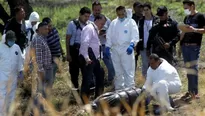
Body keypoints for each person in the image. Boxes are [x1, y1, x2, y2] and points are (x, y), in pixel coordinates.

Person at [105, 6, 139, 90]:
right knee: (118, 71)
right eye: (119, 14)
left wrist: (132, 44)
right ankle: (119, 90)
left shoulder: (131, 22)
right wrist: (107, 46)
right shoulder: (114, 22)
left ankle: (130, 90)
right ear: (116, 13)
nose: (120, 16)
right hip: (115, 49)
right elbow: (109, 35)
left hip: (126, 48)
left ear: (125, 12)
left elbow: (135, 34)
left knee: (128, 71)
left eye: (122, 13)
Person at [180, 0, 205, 101]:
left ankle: (195, 92)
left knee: (193, 68)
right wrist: (179, 43)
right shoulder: (187, 17)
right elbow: (183, 32)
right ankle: (190, 90)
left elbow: (204, 30)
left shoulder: (200, 16)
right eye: (184, 8)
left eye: (187, 8)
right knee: (188, 69)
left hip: (194, 47)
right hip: (185, 46)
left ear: (192, 6)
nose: (185, 10)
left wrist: (194, 30)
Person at [79, 14, 106, 101]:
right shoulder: (89, 28)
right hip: (88, 56)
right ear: (97, 20)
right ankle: (84, 101)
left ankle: (98, 98)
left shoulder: (94, 29)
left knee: (100, 74)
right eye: (101, 24)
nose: (102, 26)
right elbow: (85, 42)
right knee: (87, 79)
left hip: (94, 57)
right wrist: (87, 58)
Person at [89, 1, 115, 85]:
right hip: (93, 47)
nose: (97, 11)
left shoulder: (107, 19)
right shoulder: (89, 19)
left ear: (101, 9)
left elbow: (112, 32)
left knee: (111, 66)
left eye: (99, 10)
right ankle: (95, 83)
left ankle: (110, 81)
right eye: (95, 10)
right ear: (92, 10)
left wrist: (106, 34)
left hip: (105, 45)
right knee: (93, 66)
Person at [66, 7, 91, 91]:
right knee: (74, 72)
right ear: (80, 15)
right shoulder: (72, 24)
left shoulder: (89, 25)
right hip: (74, 50)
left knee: (86, 72)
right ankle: (75, 92)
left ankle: (85, 92)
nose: (86, 18)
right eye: (85, 16)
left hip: (84, 51)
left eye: (88, 16)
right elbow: (67, 39)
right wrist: (68, 54)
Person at [0, 30, 24, 116]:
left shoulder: (16, 47)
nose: (12, 42)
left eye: (13, 40)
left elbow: (20, 60)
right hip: (2, 76)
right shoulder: (0, 47)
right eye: (10, 40)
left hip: (13, 77)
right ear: (6, 40)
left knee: (12, 96)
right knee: (2, 96)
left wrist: (21, 71)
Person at [31, 22, 53, 113]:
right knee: (40, 92)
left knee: (43, 92)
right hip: (41, 71)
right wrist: (41, 72)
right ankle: (36, 111)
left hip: (46, 69)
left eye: (47, 29)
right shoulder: (38, 40)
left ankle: (41, 110)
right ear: (39, 29)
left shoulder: (42, 39)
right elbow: (38, 59)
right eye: (45, 29)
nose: (47, 30)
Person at [138, 3, 157, 78]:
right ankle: (145, 81)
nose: (145, 12)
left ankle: (154, 80)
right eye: (144, 10)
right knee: (145, 64)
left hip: (153, 46)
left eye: (147, 10)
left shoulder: (155, 20)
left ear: (150, 10)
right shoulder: (141, 21)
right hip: (144, 46)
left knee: (154, 63)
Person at [42, 17, 65, 82]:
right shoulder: (44, 35)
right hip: (50, 60)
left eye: (51, 25)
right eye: (49, 26)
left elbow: (58, 42)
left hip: (57, 57)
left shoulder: (54, 30)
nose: (50, 27)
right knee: (49, 78)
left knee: (52, 78)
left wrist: (62, 53)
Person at [132, 1, 143, 69]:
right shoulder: (131, 18)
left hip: (143, 40)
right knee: (134, 59)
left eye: (140, 7)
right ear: (134, 8)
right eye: (138, 7)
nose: (139, 9)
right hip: (134, 41)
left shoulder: (144, 17)